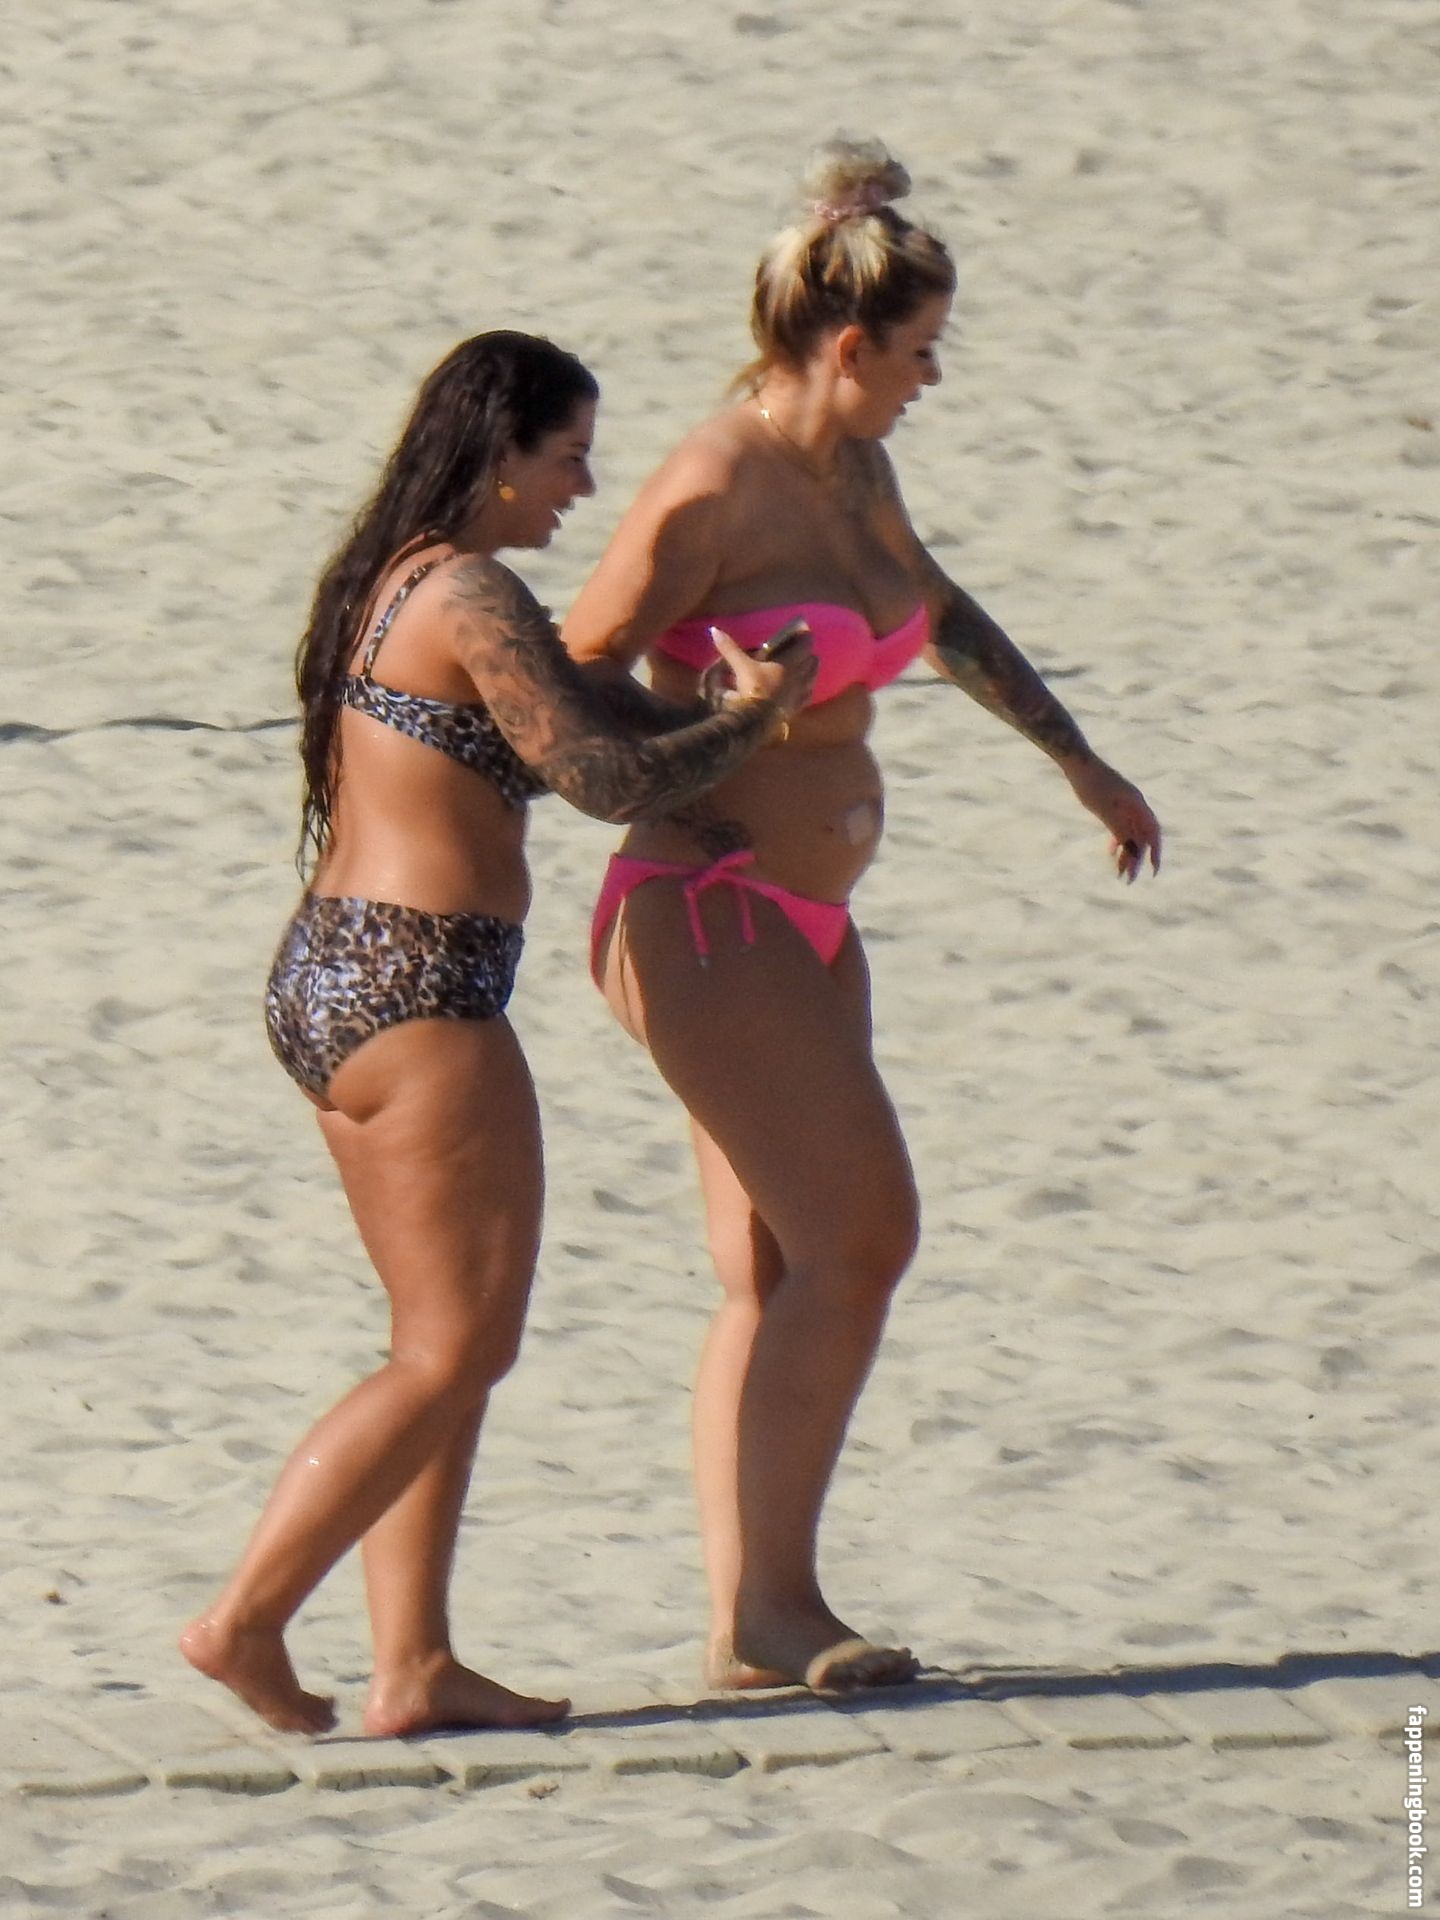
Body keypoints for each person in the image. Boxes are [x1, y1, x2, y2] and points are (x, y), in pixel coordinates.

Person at [563, 141, 1162, 1697]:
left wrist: (1078, 762)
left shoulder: (853, 475)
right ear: (847, 345)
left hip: (808, 921)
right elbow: (566, 674)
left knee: (773, 1270)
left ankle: (753, 1619)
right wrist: (694, 748)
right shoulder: (712, 488)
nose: (932, 378)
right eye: (921, 350)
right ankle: (776, 1608)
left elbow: (940, 616)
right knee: (863, 1234)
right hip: (703, 906)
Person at [180, 330, 814, 1737]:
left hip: (333, 974)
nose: (583, 487)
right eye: (568, 456)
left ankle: (413, 1664)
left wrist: (705, 714)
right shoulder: (472, 589)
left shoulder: (393, 576)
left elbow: (575, 708)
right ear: (499, 453)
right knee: (452, 1350)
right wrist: (755, 726)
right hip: (418, 987)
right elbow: (596, 777)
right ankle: (245, 1620)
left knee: (439, 1342)